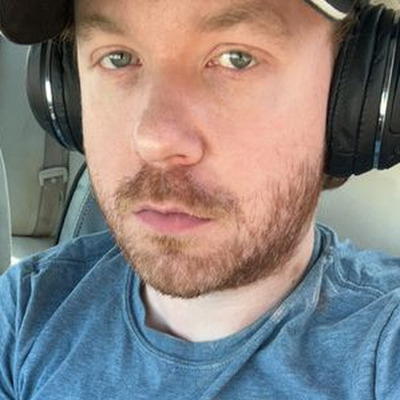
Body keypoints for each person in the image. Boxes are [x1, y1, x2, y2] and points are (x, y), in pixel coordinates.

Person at [0, 0, 400, 398]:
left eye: (237, 58)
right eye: (118, 58)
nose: (156, 140)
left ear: (355, 102)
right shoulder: (25, 312)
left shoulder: (385, 352)